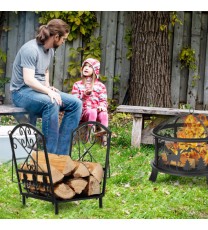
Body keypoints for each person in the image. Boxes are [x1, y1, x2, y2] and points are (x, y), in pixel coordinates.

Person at [10, 19, 82, 155]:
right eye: (63, 39)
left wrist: (47, 86)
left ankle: (62, 154)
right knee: (51, 103)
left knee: (76, 103)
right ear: (56, 37)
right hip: (21, 92)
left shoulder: (50, 51)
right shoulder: (30, 49)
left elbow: (46, 70)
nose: (63, 42)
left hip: (38, 91)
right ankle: (51, 155)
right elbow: (29, 80)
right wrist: (48, 91)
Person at [71, 58, 108, 129]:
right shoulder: (78, 84)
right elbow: (75, 102)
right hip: (83, 112)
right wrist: (84, 95)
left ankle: (104, 136)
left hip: (97, 111)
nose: (86, 68)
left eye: (90, 66)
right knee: (92, 112)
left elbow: (103, 100)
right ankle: (90, 135)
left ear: (95, 70)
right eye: (85, 66)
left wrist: (102, 106)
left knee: (104, 114)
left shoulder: (100, 86)